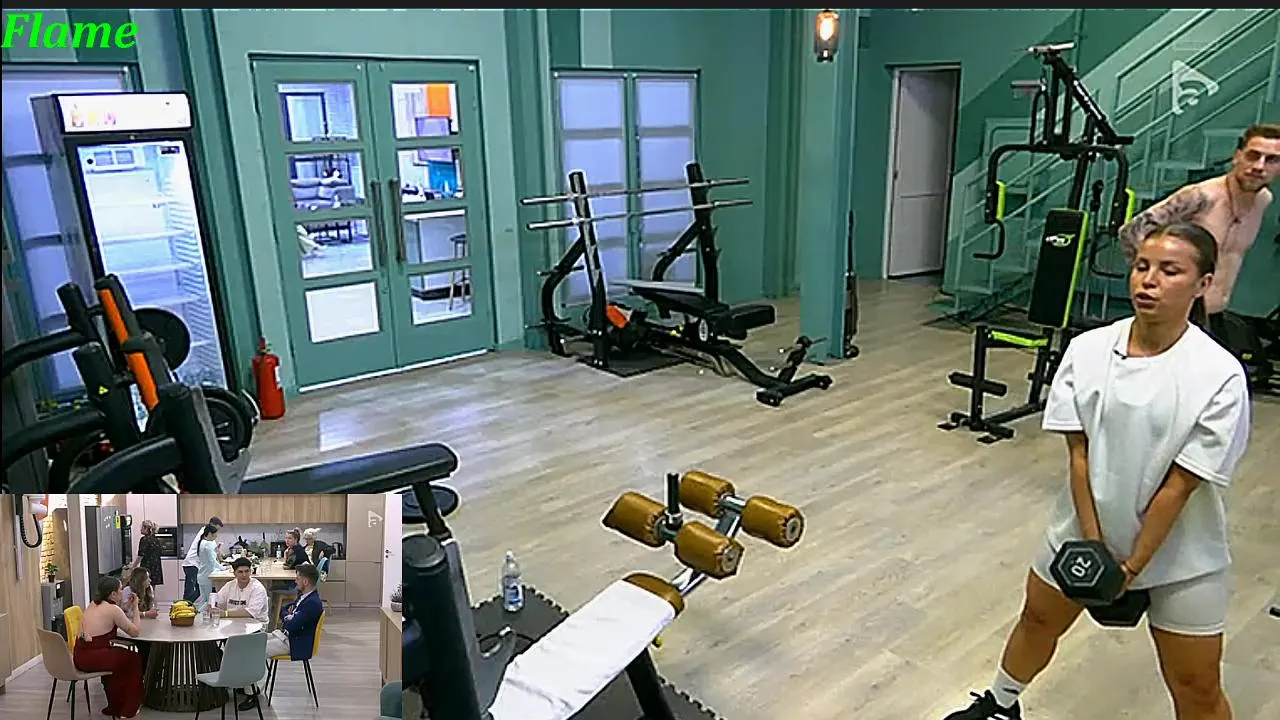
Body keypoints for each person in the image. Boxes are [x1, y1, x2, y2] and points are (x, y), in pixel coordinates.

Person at [943, 222, 1252, 720]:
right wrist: (1094, 544)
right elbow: (1079, 453)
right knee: (1038, 619)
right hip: (1083, 531)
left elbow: (1180, 484)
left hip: (1181, 552)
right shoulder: (1088, 350)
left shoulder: (1219, 375)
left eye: (1170, 271)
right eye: (1142, 266)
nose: (1148, 280)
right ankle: (1000, 705)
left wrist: (1129, 567)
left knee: (1196, 684)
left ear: (1204, 284)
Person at [1118, 123, 1279, 346]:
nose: (1259, 166)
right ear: (1237, 156)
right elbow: (1130, 232)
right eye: (1253, 156)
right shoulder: (1201, 196)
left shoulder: (1263, 200)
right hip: (1177, 315)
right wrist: (1155, 279)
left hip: (1215, 314)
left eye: (1271, 160)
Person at [237, 563, 324, 711]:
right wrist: (288, 616)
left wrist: (288, 618)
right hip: (284, 636)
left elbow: (292, 625)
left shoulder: (312, 603)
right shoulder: (305, 597)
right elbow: (285, 609)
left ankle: (253, 693)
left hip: (293, 642)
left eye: (297, 579)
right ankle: (247, 684)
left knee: (254, 651)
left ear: (305, 581)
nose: (295, 581)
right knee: (249, 641)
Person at [74, 576, 144, 718]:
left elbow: (112, 618)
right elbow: (135, 632)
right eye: (120, 590)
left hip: (80, 655)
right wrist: (136, 607)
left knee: (118, 661)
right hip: (94, 657)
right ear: (112, 594)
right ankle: (128, 708)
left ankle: (115, 705)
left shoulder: (93, 604)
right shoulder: (113, 609)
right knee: (134, 658)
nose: (122, 593)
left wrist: (126, 607)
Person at [212, 557, 270, 623]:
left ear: (250, 571)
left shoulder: (257, 588)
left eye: (247, 571)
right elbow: (218, 602)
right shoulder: (229, 585)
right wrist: (212, 606)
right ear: (234, 573)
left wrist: (225, 614)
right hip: (233, 622)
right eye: (240, 572)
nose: (244, 575)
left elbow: (250, 613)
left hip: (256, 624)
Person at [182, 515, 222, 602]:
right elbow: (213, 555)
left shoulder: (206, 536)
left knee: (198, 591)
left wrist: (220, 560)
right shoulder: (206, 536)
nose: (216, 533)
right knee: (192, 591)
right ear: (211, 525)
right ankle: (184, 606)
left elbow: (215, 550)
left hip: (196, 565)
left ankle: (186, 605)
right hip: (192, 564)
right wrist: (222, 565)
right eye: (216, 529)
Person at [194, 523, 222, 613]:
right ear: (210, 534)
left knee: (203, 600)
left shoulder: (202, 542)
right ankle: (197, 614)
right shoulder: (207, 544)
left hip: (202, 575)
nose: (216, 537)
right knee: (208, 602)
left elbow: (210, 558)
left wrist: (216, 550)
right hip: (207, 575)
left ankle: (199, 616)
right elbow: (212, 562)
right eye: (215, 535)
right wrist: (223, 568)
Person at [134, 520, 164, 590]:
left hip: (147, 567)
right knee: (152, 588)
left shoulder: (144, 539)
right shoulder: (156, 539)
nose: (140, 529)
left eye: (142, 527)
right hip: (156, 567)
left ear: (146, 528)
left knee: (144, 587)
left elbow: (141, 555)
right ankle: (152, 597)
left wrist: (134, 566)